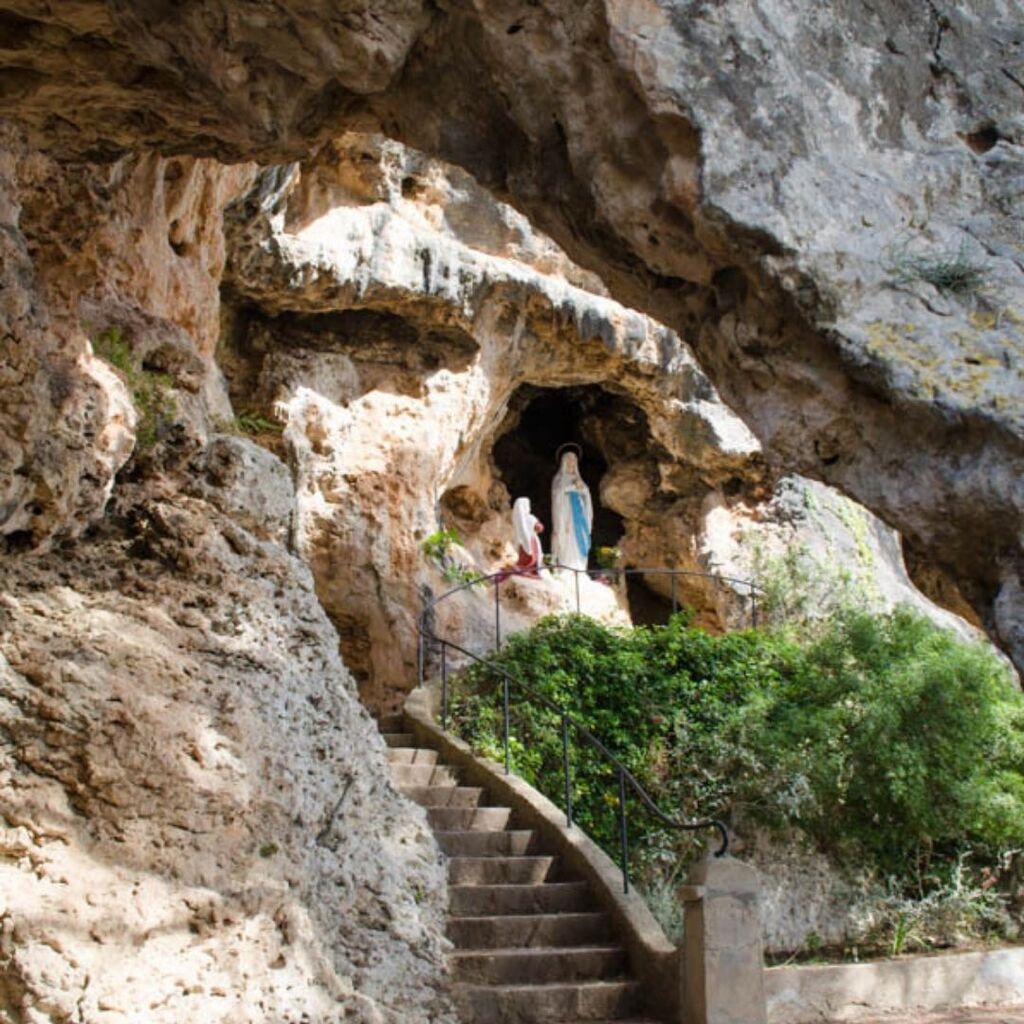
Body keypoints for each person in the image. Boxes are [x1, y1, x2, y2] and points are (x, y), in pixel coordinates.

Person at [551, 445, 593, 572]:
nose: (571, 463)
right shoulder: (559, 479)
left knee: (579, 541)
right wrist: (571, 488)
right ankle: (567, 568)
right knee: (568, 541)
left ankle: (579, 568)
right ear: (564, 462)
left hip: (580, 517)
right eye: (568, 460)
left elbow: (587, 497)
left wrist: (584, 491)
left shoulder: (579, 479)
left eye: (574, 460)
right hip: (566, 516)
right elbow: (557, 496)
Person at [509, 496, 544, 577]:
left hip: (524, 541)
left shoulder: (519, 518)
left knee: (527, 556)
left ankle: (529, 570)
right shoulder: (530, 517)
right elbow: (539, 527)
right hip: (531, 541)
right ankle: (529, 570)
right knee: (531, 556)